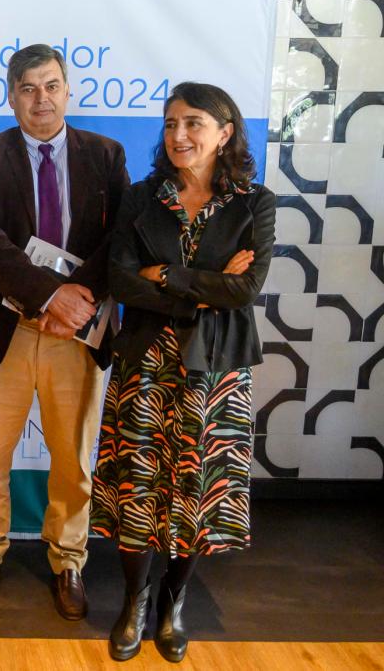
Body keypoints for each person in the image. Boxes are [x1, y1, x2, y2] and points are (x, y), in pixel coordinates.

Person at [92, 82, 275, 662]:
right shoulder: (142, 197)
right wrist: (201, 284)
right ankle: (134, 602)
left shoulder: (255, 202)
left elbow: (246, 288)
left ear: (225, 133)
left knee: (195, 495)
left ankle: (173, 603)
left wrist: (164, 276)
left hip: (215, 370)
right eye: (171, 123)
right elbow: (120, 281)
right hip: (146, 360)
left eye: (194, 123)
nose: (179, 135)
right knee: (137, 488)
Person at [0, 44, 130, 620]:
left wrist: (74, 301)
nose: (41, 99)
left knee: (73, 457)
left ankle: (68, 557)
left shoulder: (105, 155)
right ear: (10, 95)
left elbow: (119, 241)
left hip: (77, 332)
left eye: (51, 85)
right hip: (3, 328)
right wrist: (47, 294)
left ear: (67, 89)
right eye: (28, 88)